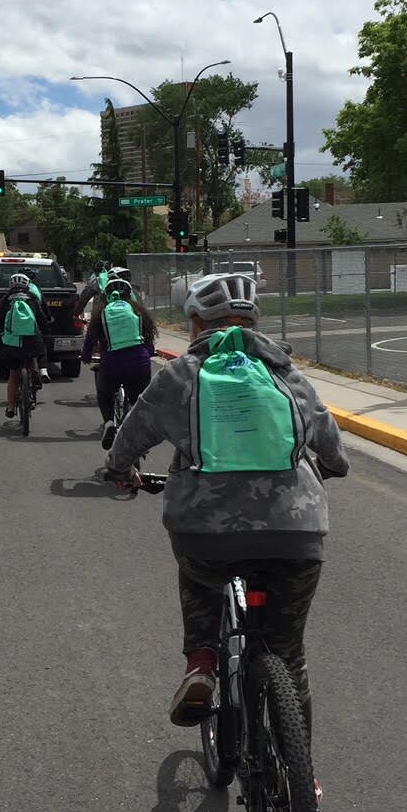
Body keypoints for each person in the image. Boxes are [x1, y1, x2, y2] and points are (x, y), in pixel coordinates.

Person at [105, 272, 348, 758]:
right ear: (254, 320)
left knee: (199, 575)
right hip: (294, 534)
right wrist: (331, 467)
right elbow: (333, 447)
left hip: (206, 534)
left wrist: (120, 468)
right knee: (288, 654)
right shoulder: (286, 374)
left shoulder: (178, 376)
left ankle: (201, 664)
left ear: (196, 323)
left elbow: (131, 436)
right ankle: (300, 773)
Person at [82, 277, 157, 448]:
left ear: (106, 297)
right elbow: (149, 342)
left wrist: (86, 356)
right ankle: (134, 420)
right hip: (139, 364)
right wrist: (149, 352)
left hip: (112, 365)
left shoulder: (101, 313)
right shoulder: (139, 312)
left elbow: (90, 340)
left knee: (104, 393)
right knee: (139, 398)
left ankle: (109, 422)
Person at [0, 271, 53, 418]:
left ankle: (10, 407)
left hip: (12, 343)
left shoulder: (6, 300)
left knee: (13, 373)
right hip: (31, 341)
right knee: (32, 358)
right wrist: (46, 333)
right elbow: (41, 319)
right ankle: (35, 378)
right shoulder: (32, 299)